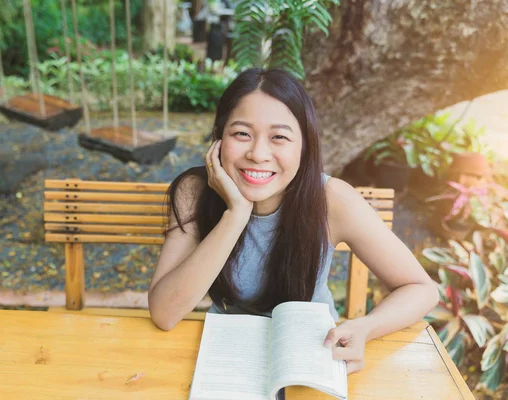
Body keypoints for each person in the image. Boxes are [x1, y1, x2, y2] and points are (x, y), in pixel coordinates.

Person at [148, 68, 439, 374]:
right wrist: (235, 215)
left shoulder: (332, 199)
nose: (259, 154)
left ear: (304, 146)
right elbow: (165, 314)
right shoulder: (194, 192)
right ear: (218, 140)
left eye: (279, 137)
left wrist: (366, 327)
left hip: (314, 353)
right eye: (241, 133)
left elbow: (421, 288)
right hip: (230, 356)